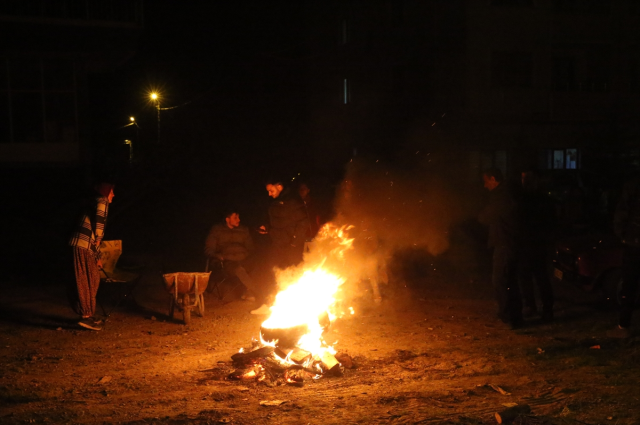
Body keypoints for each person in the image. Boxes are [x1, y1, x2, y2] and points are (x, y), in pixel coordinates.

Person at [253, 179, 309, 314]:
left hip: (292, 245)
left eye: (271, 190)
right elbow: (275, 222)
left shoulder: (293, 201)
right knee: (272, 273)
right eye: (268, 191)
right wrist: (266, 227)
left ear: (279, 186)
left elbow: (303, 223)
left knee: (294, 273)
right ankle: (270, 305)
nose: (269, 194)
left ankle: (299, 306)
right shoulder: (274, 201)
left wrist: (295, 242)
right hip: (277, 243)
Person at [478, 168, 524, 329]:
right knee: (509, 280)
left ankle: (510, 316)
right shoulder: (509, 193)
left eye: (486, 181)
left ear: (493, 178)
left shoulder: (501, 196)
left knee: (501, 280)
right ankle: (513, 315)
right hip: (509, 243)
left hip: (505, 244)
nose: (485, 186)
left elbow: (485, 217)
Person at [68, 182, 115, 331]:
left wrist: (97, 257)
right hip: (81, 245)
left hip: (86, 246)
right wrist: (100, 238)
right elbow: (99, 222)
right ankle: (85, 316)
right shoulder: (102, 201)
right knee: (84, 279)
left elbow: (93, 233)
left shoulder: (94, 203)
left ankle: (88, 314)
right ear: (106, 192)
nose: (113, 195)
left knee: (93, 277)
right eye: (112, 192)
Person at [518, 168, 555, 322]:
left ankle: (547, 309)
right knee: (526, 276)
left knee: (540, 277)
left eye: (526, 178)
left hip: (536, 243)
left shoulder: (540, 198)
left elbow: (549, 221)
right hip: (527, 243)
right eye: (522, 178)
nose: (523, 181)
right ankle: (531, 305)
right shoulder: (523, 197)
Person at [204, 209, 261, 303]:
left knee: (258, 265)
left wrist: (248, 255)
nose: (238, 219)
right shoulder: (217, 230)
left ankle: (247, 292)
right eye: (235, 217)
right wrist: (217, 256)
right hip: (226, 261)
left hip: (243, 258)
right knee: (239, 269)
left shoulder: (243, 230)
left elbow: (251, 248)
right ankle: (258, 294)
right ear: (227, 219)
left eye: (238, 217)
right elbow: (208, 249)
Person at [610, 176, 640, 338]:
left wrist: (623, 234)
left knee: (629, 284)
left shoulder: (633, 185)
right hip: (633, 242)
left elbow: (622, 211)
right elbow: (622, 211)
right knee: (629, 285)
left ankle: (624, 326)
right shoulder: (633, 185)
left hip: (633, 243)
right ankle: (624, 325)